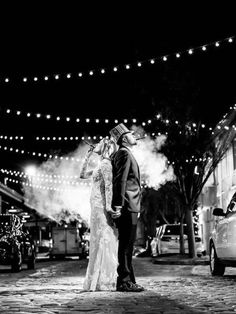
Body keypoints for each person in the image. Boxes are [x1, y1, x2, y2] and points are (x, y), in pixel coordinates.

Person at [80, 138, 120, 291]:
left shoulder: (106, 164)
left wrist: (109, 207)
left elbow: (109, 186)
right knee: (96, 241)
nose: (96, 143)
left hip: (102, 207)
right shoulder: (99, 165)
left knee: (104, 238)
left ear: (106, 147)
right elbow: (82, 175)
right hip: (94, 208)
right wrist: (87, 156)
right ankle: (94, 280)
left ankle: (105, 279)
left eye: (100, 142)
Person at [109, 123, 145, 292]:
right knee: (125, 245)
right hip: (127, 206)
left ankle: (129, 280)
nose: (134, 135)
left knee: (128, 246)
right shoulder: (124, 154)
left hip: (130, 205)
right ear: (124, 138)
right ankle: (123, 281)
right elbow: (120, 181)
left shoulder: (124, 153)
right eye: (131, 134)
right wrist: (118, 205)